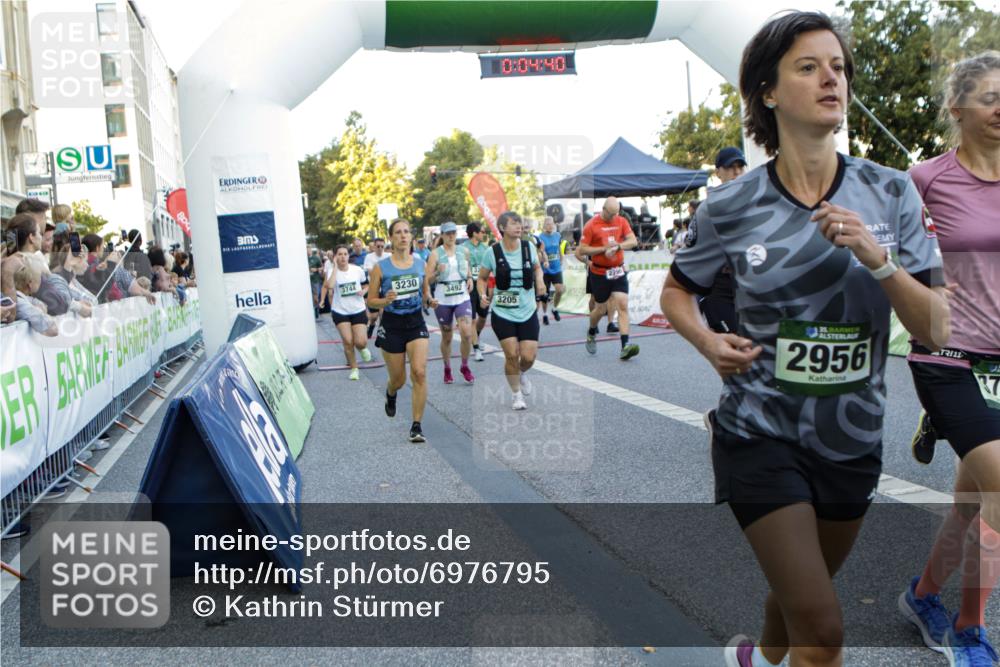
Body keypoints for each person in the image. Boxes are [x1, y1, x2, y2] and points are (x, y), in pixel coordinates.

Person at [659, 12, 949, 667]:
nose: (831, 79)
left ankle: (755, 659)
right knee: (822, 627)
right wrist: (707, 341)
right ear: (767, 90)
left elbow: (939, 325)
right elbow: (675, 292)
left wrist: (880, 261)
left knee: (799, 599)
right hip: (759, 431)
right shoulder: (730, 207)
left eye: (839, 67)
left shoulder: (892, 191)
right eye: (809, 66)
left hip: (851, 436)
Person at [896, 51, 1000, 666]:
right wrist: (926, 282)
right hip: (948, 354)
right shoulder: (923, 178)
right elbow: (901, 257)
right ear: (957, 106)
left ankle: (923, 595)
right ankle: (969, 630)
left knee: (971, 502)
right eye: (990, 98)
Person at [367, 218, 432, 443]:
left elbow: (425, 293)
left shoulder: (420, 264)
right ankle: (391, 393)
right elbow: (371, 301)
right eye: (398, 233)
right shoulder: (381, 268)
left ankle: (416, 425)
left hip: (415, 323)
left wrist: (430, 300)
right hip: (392, 325)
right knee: (399, 379)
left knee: (419, 372)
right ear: (391, 238)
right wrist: (384, 301)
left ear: (411, 237)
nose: (403, 236)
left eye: (406, 232)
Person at [477, 211, 545, 411]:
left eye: (520, 224)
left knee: (529, 356)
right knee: (512, 355)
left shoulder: (528, 247)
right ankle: (516, 395)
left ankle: (521, 373)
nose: (519, 227)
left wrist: (539, 280)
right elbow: (482, 278)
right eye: (514, 224)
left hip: (527, 310)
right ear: (502, 228)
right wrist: (482, 294)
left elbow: (537, 268)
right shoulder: (493, 252)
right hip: (503, 312)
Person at [580, 196, 640, 360]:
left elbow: (633, 241)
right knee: (600, 309)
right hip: (600, 273)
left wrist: (619, 246)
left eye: (616, 213)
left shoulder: (621, 221)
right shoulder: (591, 225)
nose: (614, 217)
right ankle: (592, 330)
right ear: (603, 209)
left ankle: (625, 345)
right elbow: (582, 249)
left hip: (618, 270)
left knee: (622, 305)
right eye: (611, 214)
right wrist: (603, 250)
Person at [696, 147, 748, 335]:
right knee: (734, 344)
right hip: (720, 286)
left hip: (750, 285)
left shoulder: (757, 202)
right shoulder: (708, 209)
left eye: (740, 167)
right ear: (718, 172)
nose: (736, 172)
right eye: (730, 167)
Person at [426, 222, 475, 385]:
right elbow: (427, 279)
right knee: (447, 337)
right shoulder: (435, 254)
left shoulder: (464, 251)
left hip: (462, 297)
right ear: (442, 235)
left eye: (453, 233)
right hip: (443, 299)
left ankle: (465, 365)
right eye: (447, 233)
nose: (451, 236)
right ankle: (447, 368)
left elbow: (467, 269)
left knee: (467, 334)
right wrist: (437, 271)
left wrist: (469, 278)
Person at [324, 245, 373, 381]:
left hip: (358, 309)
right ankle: (354, 368)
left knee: (361, 341)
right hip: (340, 310)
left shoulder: (357, 270)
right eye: (339, 254)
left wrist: (364, 291)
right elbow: (330, 286)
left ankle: (362, 348)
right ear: (335, 257)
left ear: (348, 256)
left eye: (345, 254)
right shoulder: (331, 271)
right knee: (348, 340)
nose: (343, 257)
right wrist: (334, 267)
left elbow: (367, 284)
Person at [463, 222, 491, 362]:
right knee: (472, 319)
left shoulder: (485, 248)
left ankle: (477, 336)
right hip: (469, 286)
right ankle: (476, 348)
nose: (483, 234)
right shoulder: (463, 248)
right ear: (474, 233)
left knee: (483, 316)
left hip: (482, 286)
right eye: (482, 231)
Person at [538, 216, 565, 325]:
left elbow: (559, 248)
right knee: (545, 294)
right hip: (546, 269)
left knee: (559, 290)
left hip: (556, 267)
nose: (550, 226)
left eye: (551, 223)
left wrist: (562, 258)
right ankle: (545, 314)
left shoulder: (557, 235)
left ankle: (554, 308)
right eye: (547, 224)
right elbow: (541, 251)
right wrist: (544, 261)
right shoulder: (540, 237)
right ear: (544, 225)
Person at [362, 237, 388, 337]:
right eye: (378, 246)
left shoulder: (388, 256)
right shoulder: (369, 257)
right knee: (374, 316)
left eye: (382, 246)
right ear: (374, 247)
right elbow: (370, 272)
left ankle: (382, 333)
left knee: (383, 313)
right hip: (374, 288)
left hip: (384, 287)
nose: (380, 248)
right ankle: (372, 325)